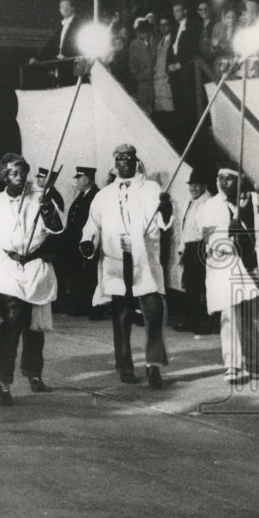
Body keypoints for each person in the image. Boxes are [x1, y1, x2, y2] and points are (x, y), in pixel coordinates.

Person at [0, 153, 63, 404]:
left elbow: (58, 228)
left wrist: (48, 211)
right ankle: (2, 382)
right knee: (13, 320)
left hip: (36, 267)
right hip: (8, 266)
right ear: (5, 175)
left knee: (35, 326)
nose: (20, 177)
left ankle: (33, 373)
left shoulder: (42, 197)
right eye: (14, 173)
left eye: (23, 172)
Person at [80, 144, 174, 389]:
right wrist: (88, 243)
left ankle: (153, 364)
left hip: (143, 257)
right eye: (121, 158)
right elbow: (92, 225)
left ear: (136, 161)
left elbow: (164, 222)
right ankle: (124, 365)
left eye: (130, 158)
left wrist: (166, 208)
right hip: (116, 258)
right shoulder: (103, 195)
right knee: (121, 315)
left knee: (154, 310)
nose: (125, 162)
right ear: (115, 163)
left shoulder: (151, 188)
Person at [202, 168, 259, 383]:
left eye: (229, 178)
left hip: (255, 267)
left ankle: (253, 362)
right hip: (229, 268)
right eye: (220, 178)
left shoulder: (256, 200)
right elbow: (207, 237)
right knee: (230, 317)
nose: (223, 182)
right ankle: (233, 366)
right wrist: (227, 234)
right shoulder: (212, 205)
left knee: (253, 317)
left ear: (241, 179)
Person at [173, 168, 213, 334]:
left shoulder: (208, 203)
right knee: (190, 287)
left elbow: (208, 230)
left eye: (198, 185)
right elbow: (184, 228)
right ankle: (192, 319)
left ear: (204, 186)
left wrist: (208, 252)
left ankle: (206, 322)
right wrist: (182, 248)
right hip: (189, 248)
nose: (194, 188)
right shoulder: (188, 202)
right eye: (192, 185)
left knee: (203, 287)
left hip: (201, 248)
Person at [62, 167, 100, 318]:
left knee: (89, 275)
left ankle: (91, 308)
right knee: (79, 275)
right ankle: (80, 306)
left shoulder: (96, 196)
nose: (77, 181)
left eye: (79, 178)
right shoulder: (83, 195)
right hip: (76, 243)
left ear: (88, 179)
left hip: (88, 243)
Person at [166, 0, 205, 143]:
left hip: (187, 72)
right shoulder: (174, 28)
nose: (175, 14)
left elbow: (192, 48)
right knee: (178, 107)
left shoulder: (193, 26)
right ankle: (181, 139)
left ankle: (193, 139)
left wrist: (180, 64)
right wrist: (169, 65)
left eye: (177, 10)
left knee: (189, 107)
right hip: (175, 74)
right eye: (173, 11)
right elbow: (171, 49)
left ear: (184, 11)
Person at [128, 18, 156, 114]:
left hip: (157, 81)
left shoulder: (155, 42)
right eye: (141, 31)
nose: (144, 34)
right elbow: (133, 66)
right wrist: (141, 77)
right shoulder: (134, 44)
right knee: (145, 110)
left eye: (146, 31)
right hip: (143, 84)